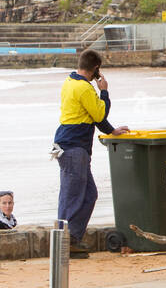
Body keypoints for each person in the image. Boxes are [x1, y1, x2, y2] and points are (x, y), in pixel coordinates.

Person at [54, 49, 129, 257]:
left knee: (88, 194)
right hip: (73, 147)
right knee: (72, 195)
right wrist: (104, 91)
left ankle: (73, 238)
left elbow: (95, 118)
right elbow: (99, 113)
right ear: (96, 69)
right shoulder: (84, 88)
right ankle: (65, 241)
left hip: (71, 145)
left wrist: (111, 130)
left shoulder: (70, 81)